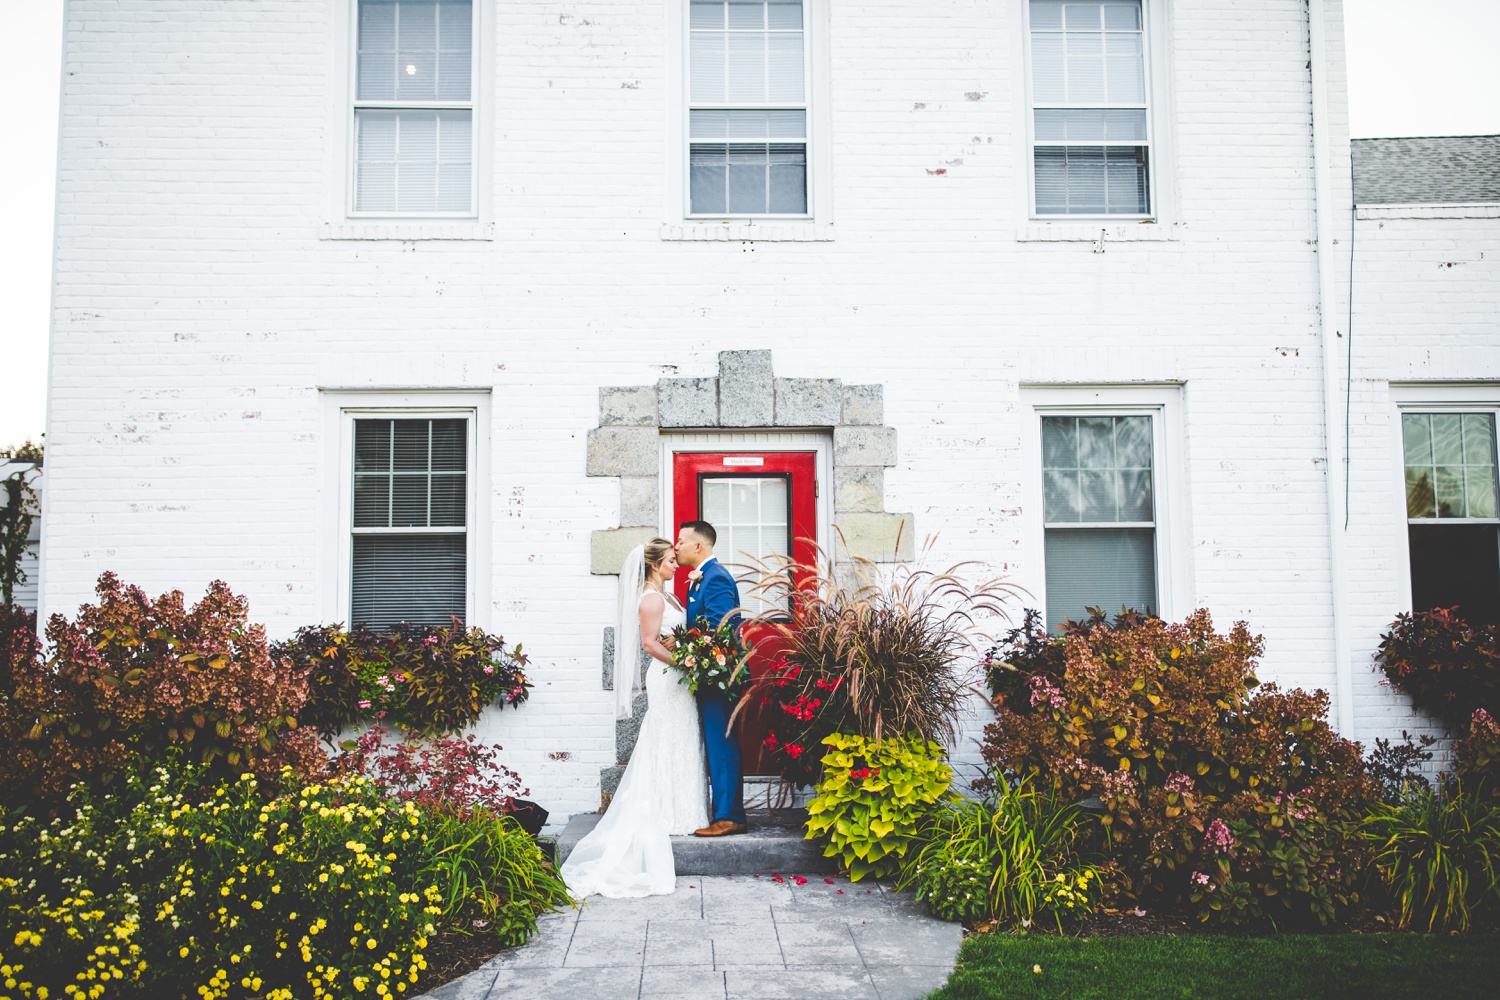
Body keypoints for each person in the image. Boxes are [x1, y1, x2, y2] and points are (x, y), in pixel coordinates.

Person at [559, 538, 709, 898]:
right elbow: (649, 644)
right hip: (668, 677)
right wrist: (689, 663)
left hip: (678, 677)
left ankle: (684, 810)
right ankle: (667, 814)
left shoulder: (667, 595)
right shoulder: (652, 598)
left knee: (682, 738)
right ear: (656, 565)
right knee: (667, 737)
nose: (677, 565)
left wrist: (688, 652)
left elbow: (671, 637)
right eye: (672, 561)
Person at [675, 520, 749, 837]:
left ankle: (730, 816)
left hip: (720, 677)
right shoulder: (698, 580)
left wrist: (695, 656)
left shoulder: (715, 579)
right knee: (716, 744)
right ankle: (723, 811)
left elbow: (723, 633)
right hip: (707, 676)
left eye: (680, 541)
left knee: (722, 744)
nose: (676, 546)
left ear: (698, 546)